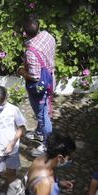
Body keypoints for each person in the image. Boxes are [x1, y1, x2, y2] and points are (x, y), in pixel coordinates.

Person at [21, 16, 57, 147]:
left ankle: (48, 146)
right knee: (44, 110)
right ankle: (39, 133)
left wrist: (21, 71)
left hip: (40, 86)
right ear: (39, 27)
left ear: (25, 32)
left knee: (42, 115)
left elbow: (35, 76)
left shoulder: (31, 52)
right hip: (51, 78)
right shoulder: (48, 36)